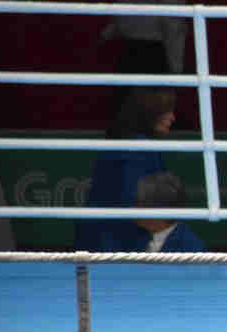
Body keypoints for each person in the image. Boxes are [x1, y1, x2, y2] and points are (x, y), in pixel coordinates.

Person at [74, 87, 176, 251]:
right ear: (149, 112)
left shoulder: (127, 142)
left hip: (104, 241)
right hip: (113, 247)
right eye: (166, 111)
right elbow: (135, 205)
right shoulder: (137, 148)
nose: (172, 117)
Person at [131, 171, 207, 252]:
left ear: (158, 212)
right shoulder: (137, 236)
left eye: (139, 203)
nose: (133, 208)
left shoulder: (190, 249)